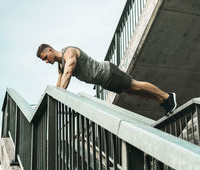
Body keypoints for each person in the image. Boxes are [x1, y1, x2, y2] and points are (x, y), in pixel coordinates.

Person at [36, 44, 177, 116]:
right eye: (43, 60)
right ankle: (162, 101)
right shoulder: (61, 65)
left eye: (45, 58)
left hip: (108, 73)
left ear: (49, 50)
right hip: (104, 81)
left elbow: (67, 73)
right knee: (133, 91)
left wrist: (60, 95)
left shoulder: (69, 52)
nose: (46, 61)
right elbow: (59, 84)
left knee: (135, 85)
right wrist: (53, 99)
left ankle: (167, 96)